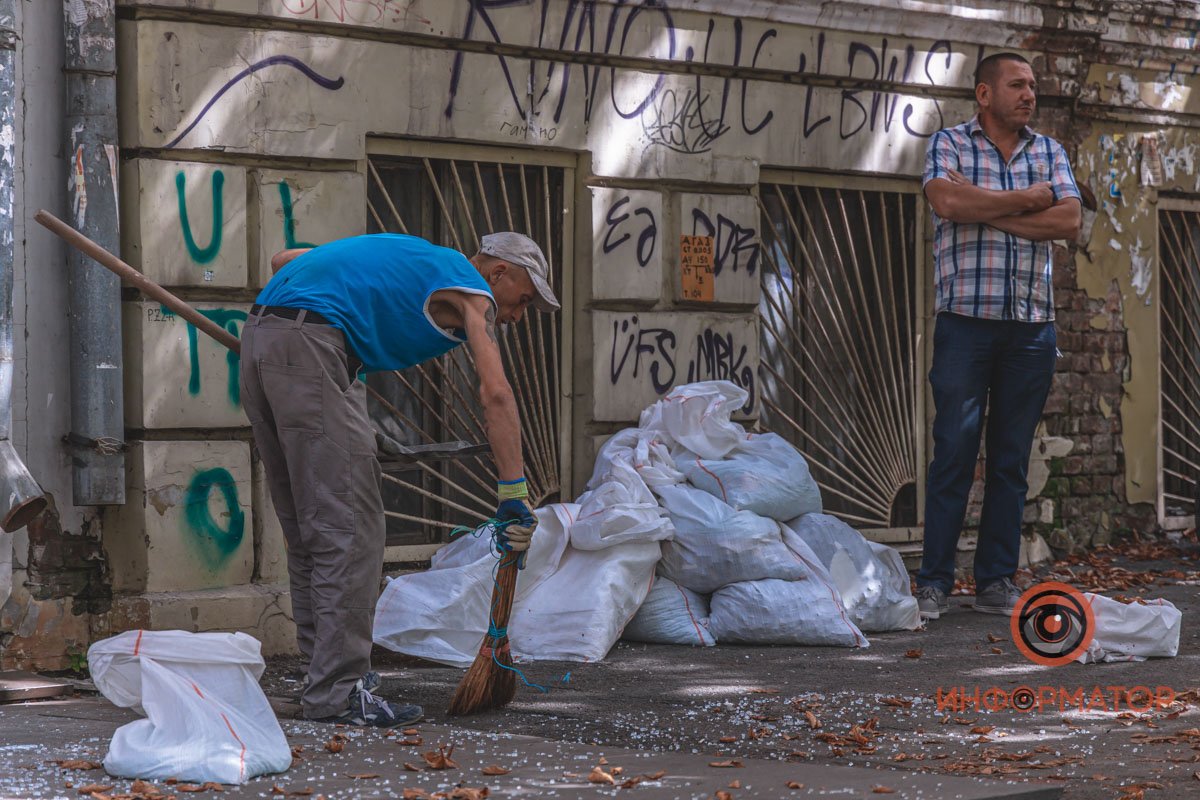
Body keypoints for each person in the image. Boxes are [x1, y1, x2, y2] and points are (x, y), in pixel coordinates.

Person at [240, 231, 560, 725]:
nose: (517, 316)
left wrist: (314, 353)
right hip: (314, 349)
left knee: (311, 529)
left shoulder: (425, 261)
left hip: (264, 338)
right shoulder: (472, 293)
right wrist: (513, 493)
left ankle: (324, 680)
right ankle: (338, 692)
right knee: (352, 531)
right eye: (523, 300)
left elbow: (286, 258)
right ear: (498, 273)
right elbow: (495, 393)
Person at [916, 52, 1081, 621]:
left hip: (1031, 329)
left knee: (1010, 460)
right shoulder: (950, 145)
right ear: (984, 94)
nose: (1029, 94)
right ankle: (934, 582)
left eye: (1033, 85)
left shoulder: (1049, 152)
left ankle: (994, 582)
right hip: (965, 324)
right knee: (954, 454)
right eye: (1017, 85)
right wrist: (1027, 201)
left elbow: (1067, 222)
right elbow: (947, 200)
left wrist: (990, 212)